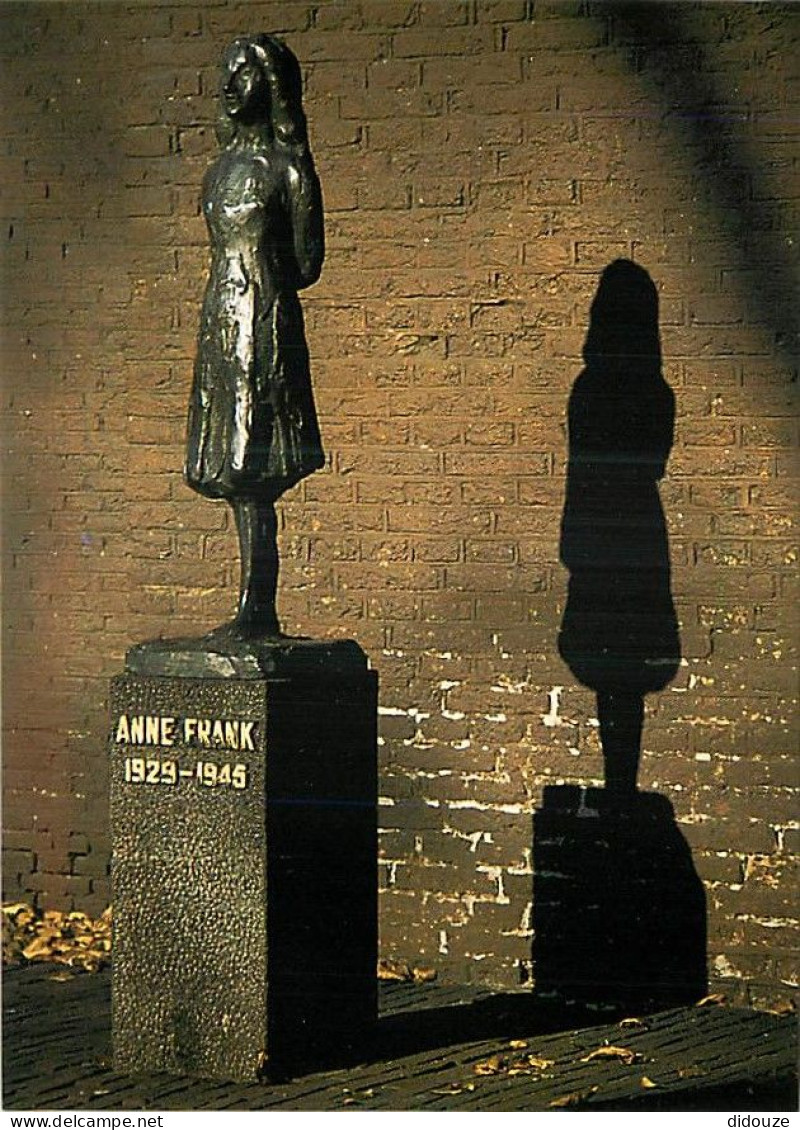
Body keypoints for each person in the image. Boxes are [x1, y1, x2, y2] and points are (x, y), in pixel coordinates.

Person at [185, 34, 325, 638]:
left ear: (270, 87)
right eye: (228, 72)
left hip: (262, 321)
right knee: (228, 465)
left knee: (254, 468)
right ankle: (250, 603)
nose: (231, 83)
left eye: (244, 73)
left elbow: (308, 265)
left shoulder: (288, 170)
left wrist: (262, 281)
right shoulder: (219, 171)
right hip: (220, 318)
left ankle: (256, 605)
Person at [558, 260, 680, 795]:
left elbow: (579, 466)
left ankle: (617, 783)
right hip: (639, 525)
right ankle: (622, 782)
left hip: (597, 525)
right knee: (629, 657)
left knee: (606, 662)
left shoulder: (587, 388)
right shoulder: (658, 391)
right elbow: (654, 464)